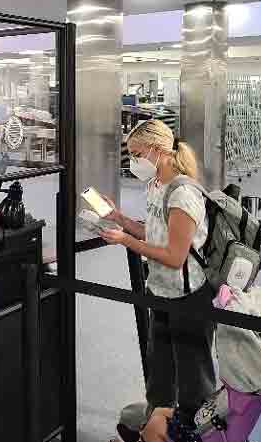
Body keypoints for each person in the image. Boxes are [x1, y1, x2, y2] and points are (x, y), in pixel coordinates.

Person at [99, 120, 215, 442]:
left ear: (159, 150)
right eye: (131, 154)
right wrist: (120, 219)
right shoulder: (155, 187)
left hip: (188, 297)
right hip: (160, 291)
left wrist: (124, 241)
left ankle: (195, 435)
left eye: (137, 154)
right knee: (161, 379)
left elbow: (174, 256)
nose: (134, 161)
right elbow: (153, 235)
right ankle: (155, 433)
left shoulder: (184, 194)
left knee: (194, 385)